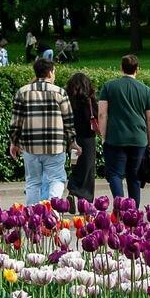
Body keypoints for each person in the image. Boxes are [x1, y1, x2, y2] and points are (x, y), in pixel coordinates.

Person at [9, 58, 78, 206]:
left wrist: (14, 142)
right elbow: (69, 121)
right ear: (50, 72)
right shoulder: (60, 92)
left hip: (30, 146)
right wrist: (72, 142)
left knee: (33, 182)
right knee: (57, 179)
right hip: (55, 146)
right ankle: (51, 211)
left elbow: (16, 122)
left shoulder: (22, 92)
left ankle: (33, 216)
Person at [98, 54, 150, 208]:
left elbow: (102, 114)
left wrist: (103, 136)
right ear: (137, 69)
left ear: (121, 68)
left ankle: (120, 207)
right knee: (134, 176)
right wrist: (149, 141)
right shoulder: (146, 91)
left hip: (115, 137)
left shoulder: (109, 87)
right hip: (138, 139)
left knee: (115, 174)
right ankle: (133, 212)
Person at [65, 72, 98, 202]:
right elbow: (96, 116)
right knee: (88, 170)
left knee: (75, 166)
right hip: (88, 139)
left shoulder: (68, 100)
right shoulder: (89, 100)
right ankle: (85, 200)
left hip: (72, 139)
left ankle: (73, 190)